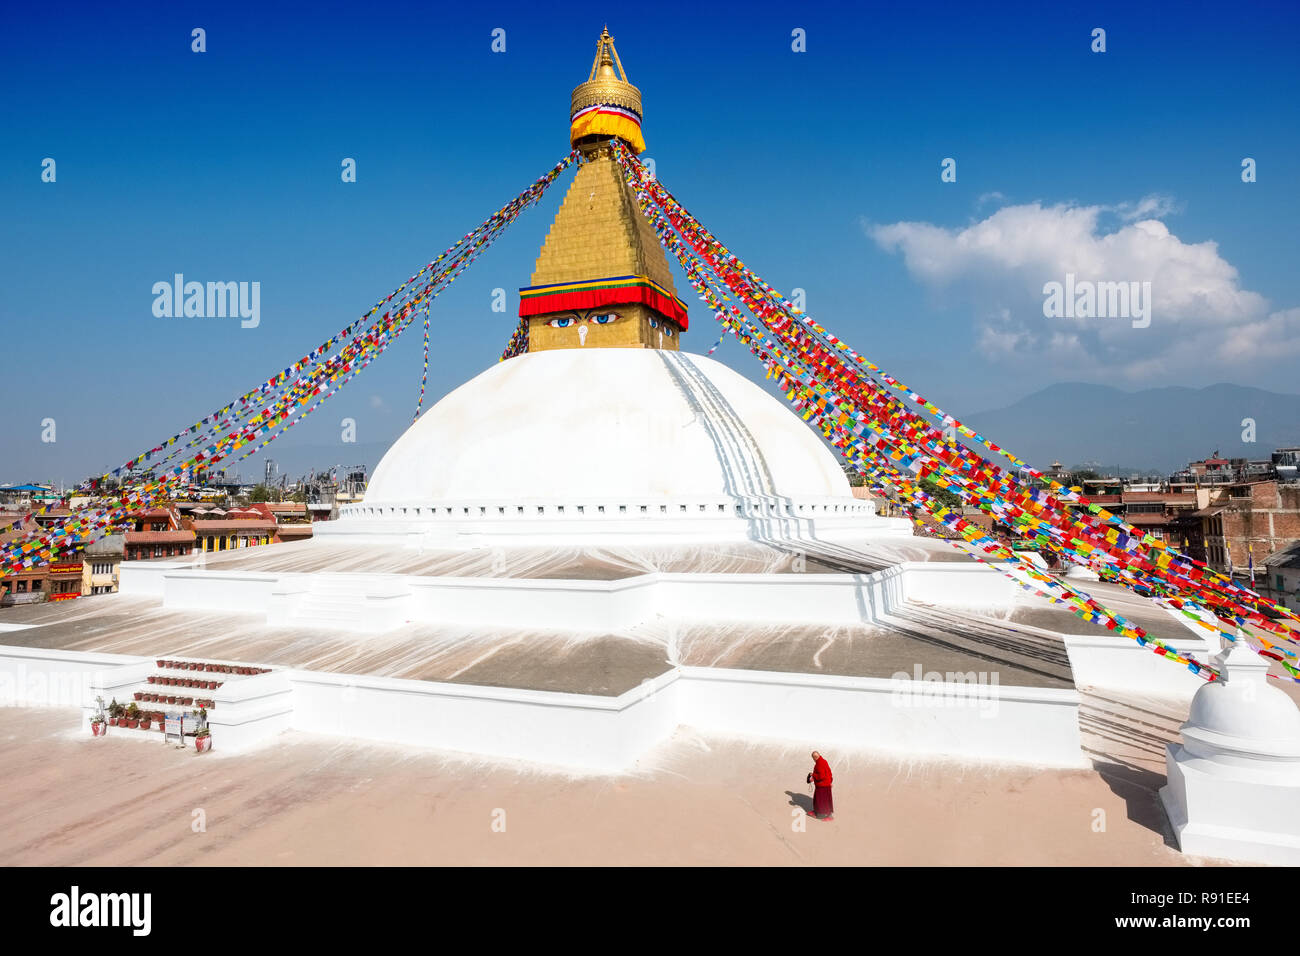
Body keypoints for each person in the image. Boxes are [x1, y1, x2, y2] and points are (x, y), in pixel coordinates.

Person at [806, 751, 834, 821]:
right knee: (821, 800)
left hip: (823, 786)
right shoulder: (824, 761)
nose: (813, 760)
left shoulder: (819, 764)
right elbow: (829, 772)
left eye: (813, 758)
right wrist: (830, 781)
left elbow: (821, 776)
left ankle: (828, 816)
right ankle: (817, 812)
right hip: (825, 784)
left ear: (815, 757)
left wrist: (813, 775)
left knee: (822, 801)